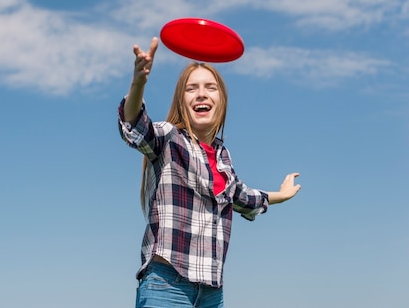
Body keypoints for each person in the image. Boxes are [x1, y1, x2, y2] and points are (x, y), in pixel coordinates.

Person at [118, 37, 301, 308]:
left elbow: (245, 196)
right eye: (191, 88)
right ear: (182, 101)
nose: (201, 93)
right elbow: (136, 126)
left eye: (210, 87)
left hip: (212, 293)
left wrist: (281, 195)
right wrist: (138, 84)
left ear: (222, 101)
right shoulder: (170, 139)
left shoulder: (223, 159)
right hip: (167, 283)